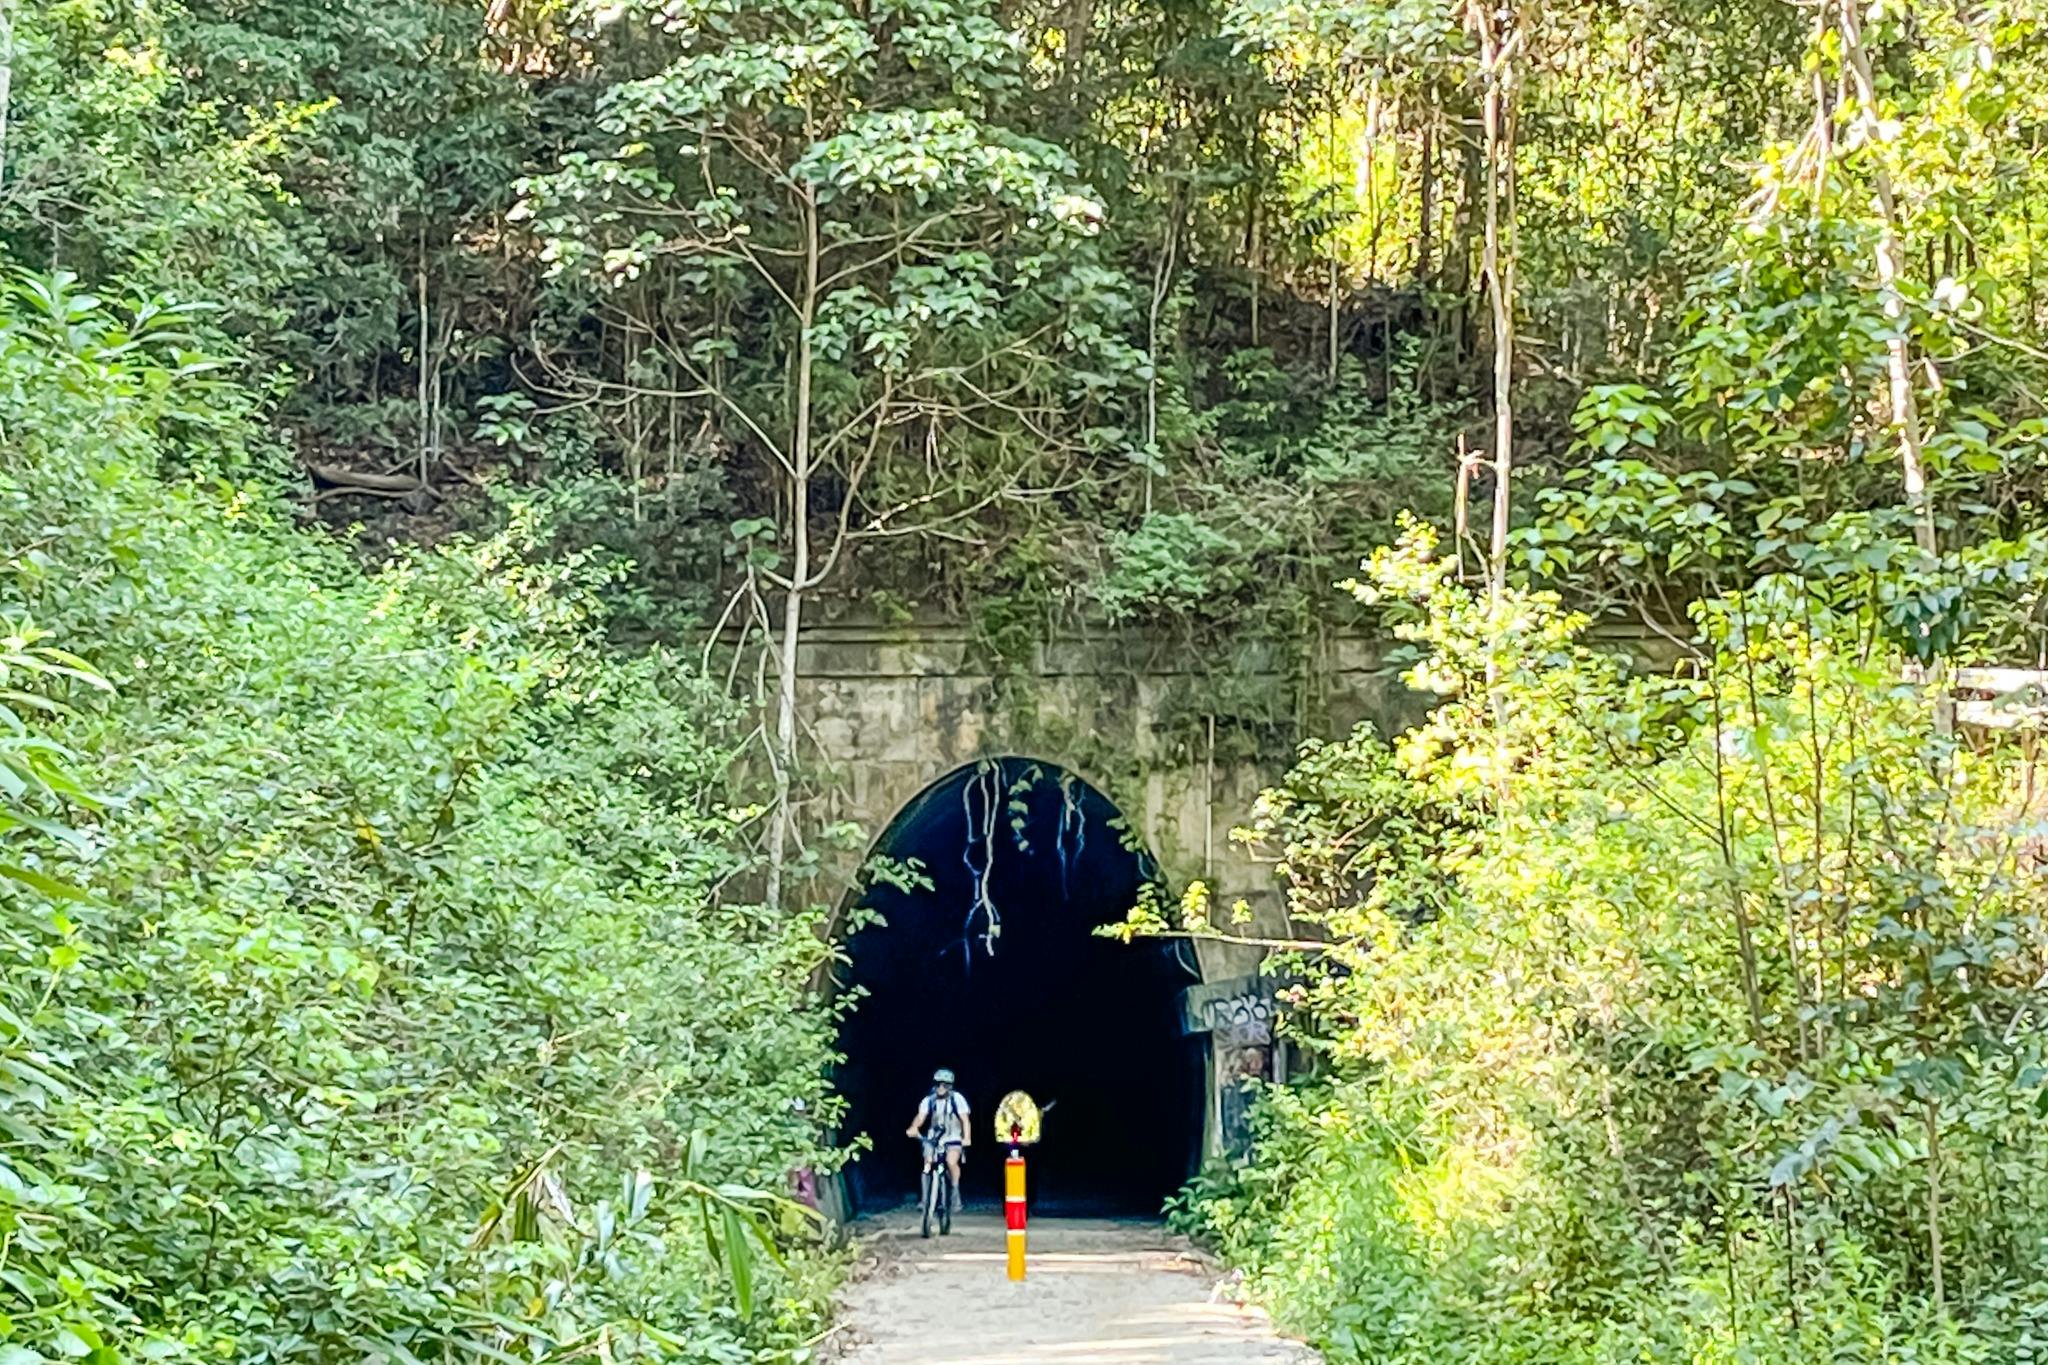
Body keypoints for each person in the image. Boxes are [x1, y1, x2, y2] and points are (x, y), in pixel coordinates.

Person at [906, 1067, 970, 1210]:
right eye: (938, 1084)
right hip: (934, 1139)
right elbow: (920, 1117)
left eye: (945, 1084)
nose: (941, 1087)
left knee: (951, 1161)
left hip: (953, 1138)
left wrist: (966, 1138)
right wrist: (913, 1128)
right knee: (927, 1164)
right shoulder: (929, 1100)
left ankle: (955, 1193)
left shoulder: (957, 1099)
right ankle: (924, 1200)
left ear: (950, 1086)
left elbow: (965, 1120)